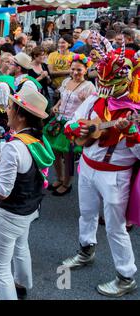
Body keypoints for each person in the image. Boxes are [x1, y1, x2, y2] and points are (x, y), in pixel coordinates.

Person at [61, 32, 139, 297]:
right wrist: (74, 128)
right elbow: (73, 122)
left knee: (116, 228)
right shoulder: (97, 100)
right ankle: (86, 250)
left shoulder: (135, 111)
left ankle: (126, 276)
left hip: (115, 176)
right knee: (86, 214)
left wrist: (130, 133)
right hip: (87, 166)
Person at [0, 86, 55, 300]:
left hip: (9, 213)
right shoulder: (38, 140)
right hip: (29, 208)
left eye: (10, 107)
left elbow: (3, 191)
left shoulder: (14, 147)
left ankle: (16, 288)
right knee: (21, 245)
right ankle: (23, 284)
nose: (6, 111)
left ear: (21, 115)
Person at [44, 53, 95, 196]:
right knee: (55, 152)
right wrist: (56, 106)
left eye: (79, 69)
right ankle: (59, 178)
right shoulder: (66, 81)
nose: (75, 72)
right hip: (59, 121)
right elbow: (62, 97)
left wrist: (85, 103)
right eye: (73, 69)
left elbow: (91, 109)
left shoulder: (89, 87)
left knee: (68, 156)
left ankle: (67, 183)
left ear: (86, 70)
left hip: (72, 125)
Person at [47, 34, 74, 100]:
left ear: (69, 44)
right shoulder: (52, 55)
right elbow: (51, 72)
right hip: (52, 86)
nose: (60, 45)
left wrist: (57, 73)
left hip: (67, 87)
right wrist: (68, 71)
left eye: (63, 43)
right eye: (59, 43)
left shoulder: (74, 56)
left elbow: (73, 74)